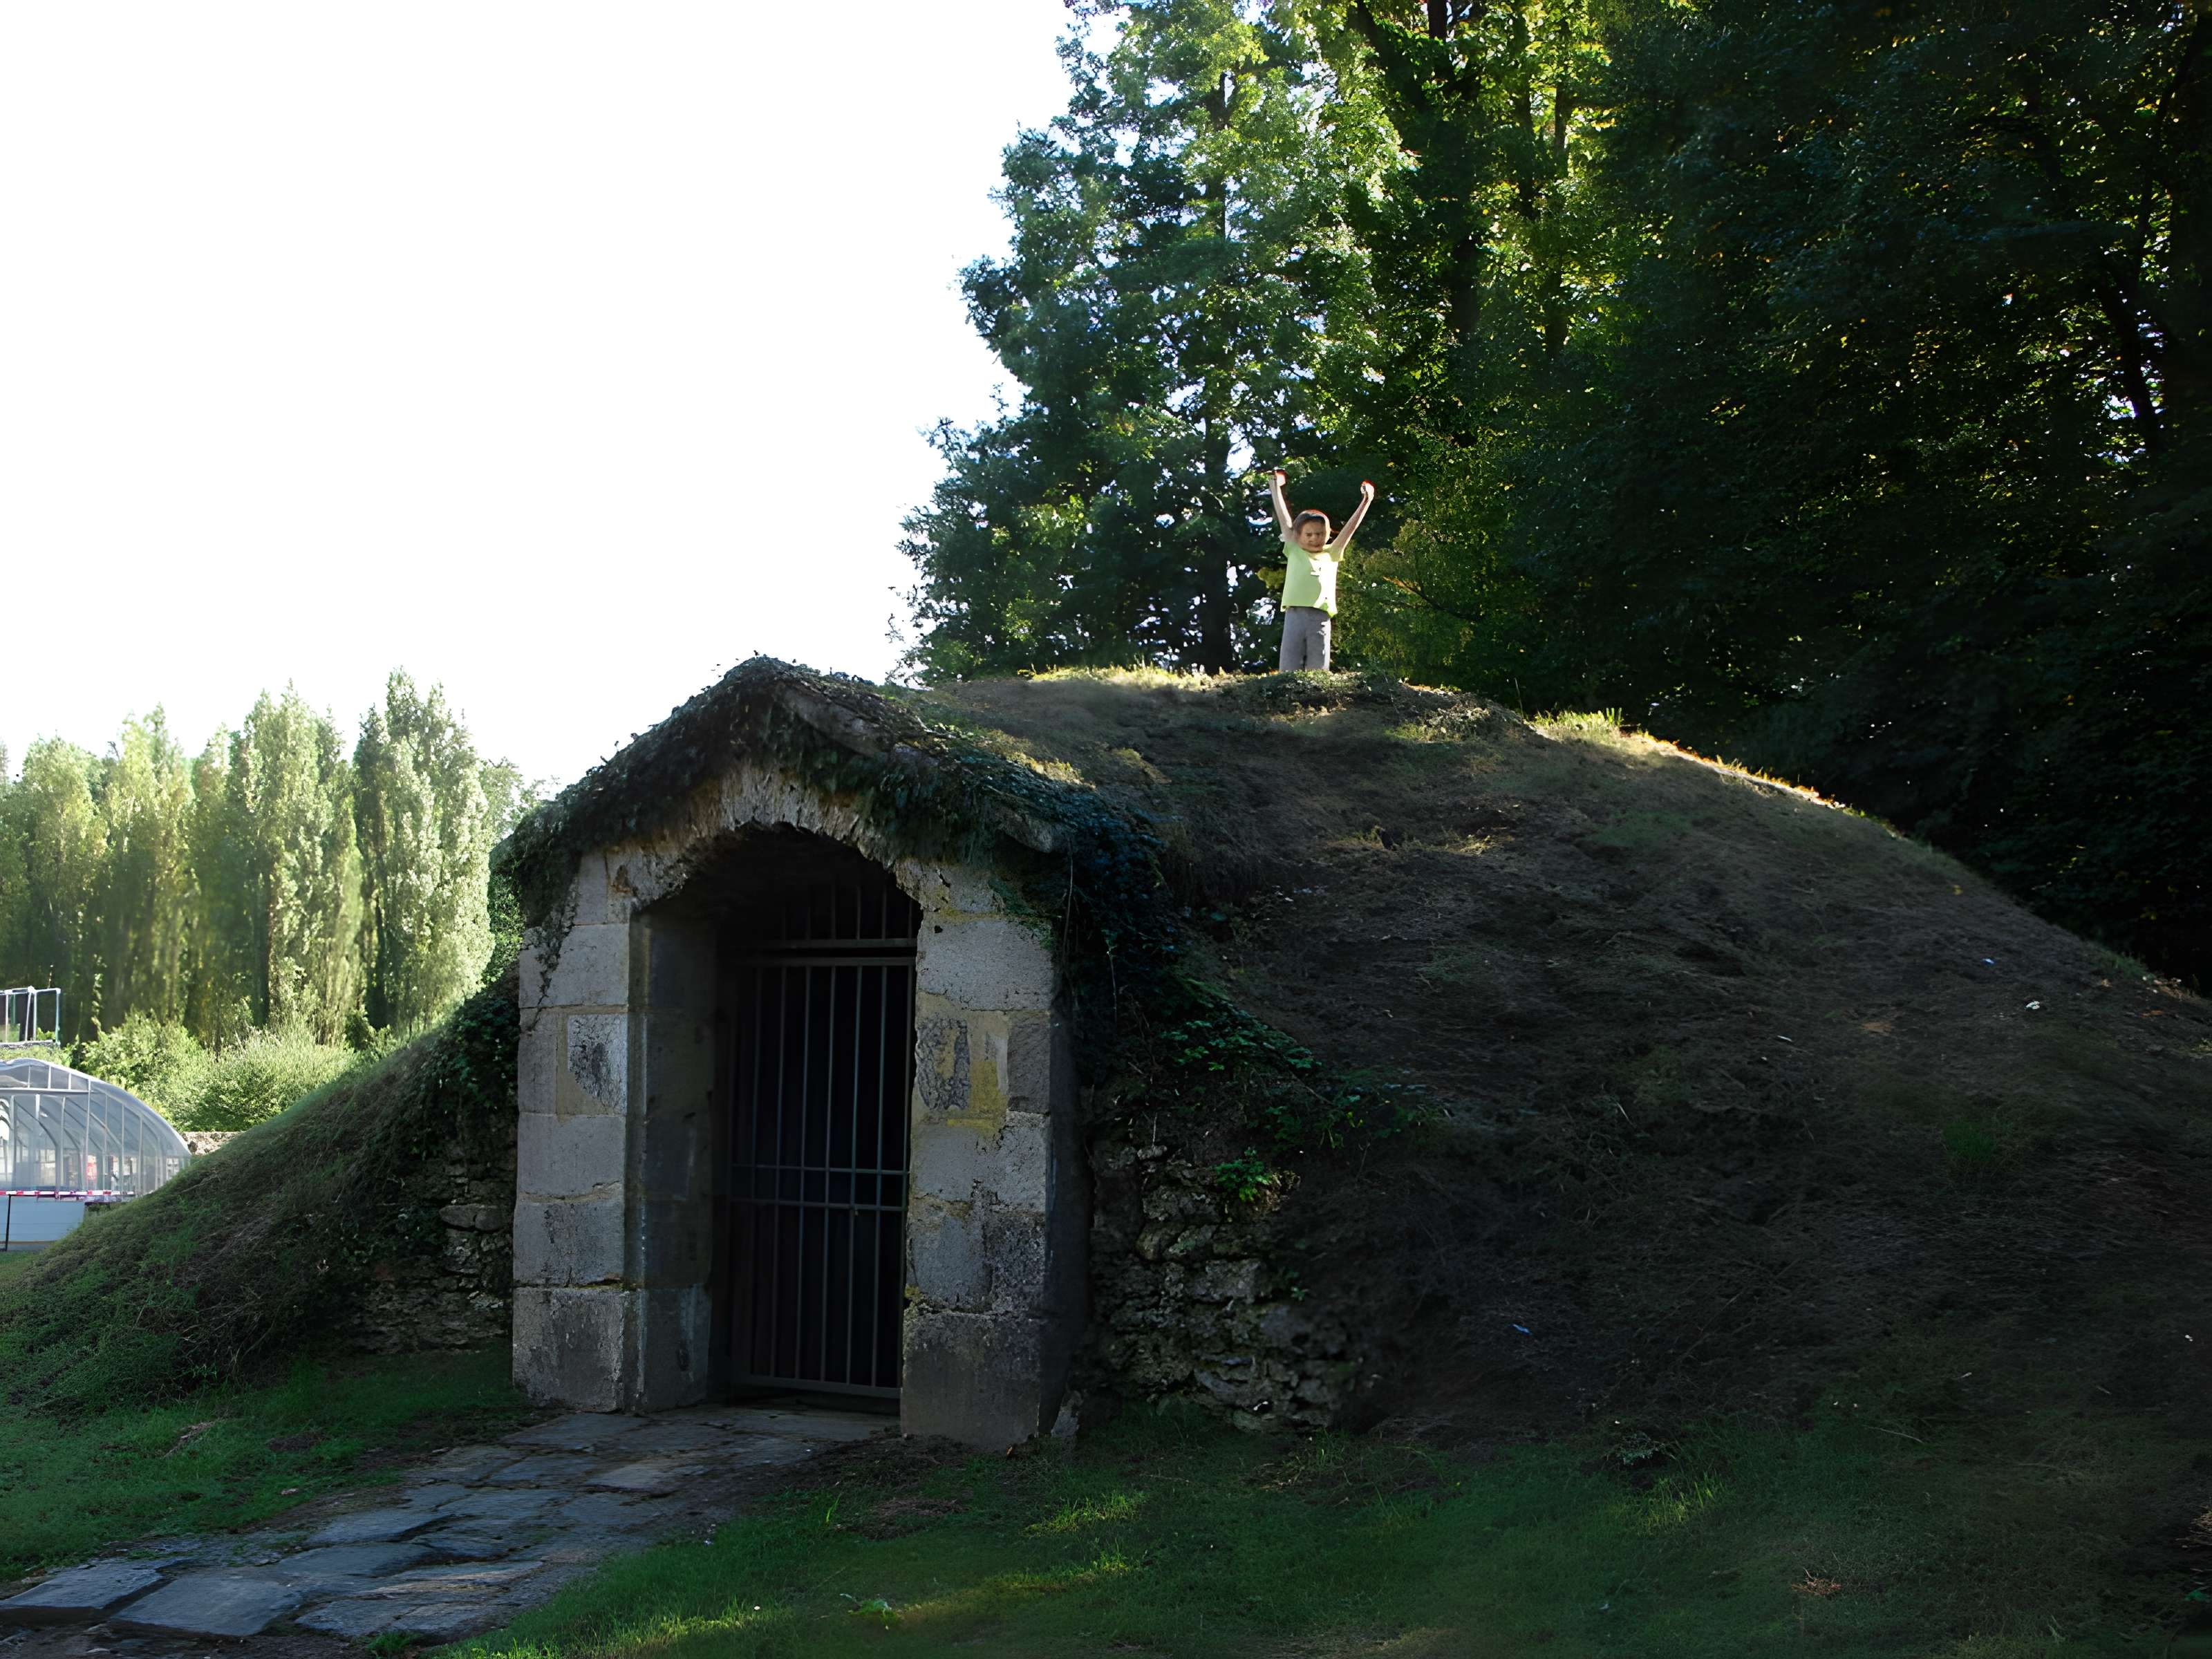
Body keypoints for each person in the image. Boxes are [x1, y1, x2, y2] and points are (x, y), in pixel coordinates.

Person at [1268, 469, 1374, 673]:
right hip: (1295, 612)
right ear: (1298, 535)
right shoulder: (1294, 548)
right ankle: (1286, 691)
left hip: (1321, 615)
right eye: (1308, 534)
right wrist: (1275, 486)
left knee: (1319, 663)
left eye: (1319, 534)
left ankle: (1318, 693)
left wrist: (1366, 501)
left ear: (1327, 535)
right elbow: (1283, 517)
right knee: (1289, 660)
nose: (1314, 538)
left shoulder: (1332, 552)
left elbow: (1350, 529)